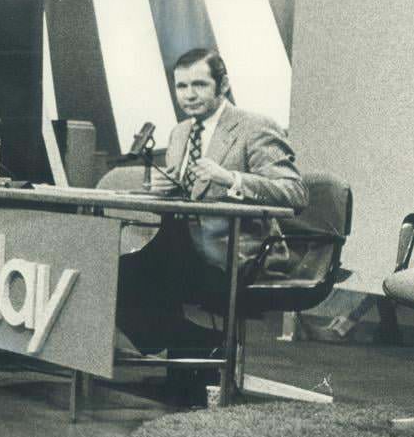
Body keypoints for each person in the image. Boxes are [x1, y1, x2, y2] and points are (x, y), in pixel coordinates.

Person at [116, 47, 307, 405]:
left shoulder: (255, 127)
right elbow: (192, 192)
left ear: (223, 85)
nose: (189, 95)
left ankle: (199, 355)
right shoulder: (179, 133)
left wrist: (232, 177)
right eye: (181, 86)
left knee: (141, 278)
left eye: (199, 85)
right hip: (183, 245)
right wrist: (168, 187)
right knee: (114, 276)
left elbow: (294, 192)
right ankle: (200, 346)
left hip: (237, 252)